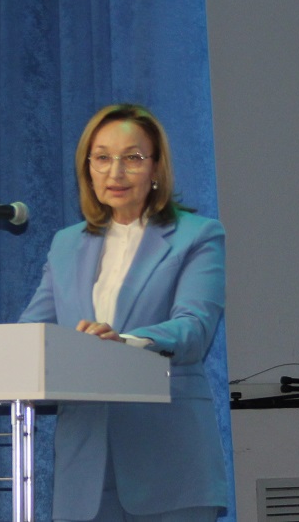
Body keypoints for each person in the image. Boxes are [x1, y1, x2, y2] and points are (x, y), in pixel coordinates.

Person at [19, 103, 228, 522]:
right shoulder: (65, 244)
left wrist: (124, 343)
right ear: (87, 169)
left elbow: (193, 329)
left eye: (132, 157)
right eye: (101, 158)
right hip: (85, 467)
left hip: (167, 459)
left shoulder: (197, 235)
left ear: (156, 168)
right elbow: (33, 335)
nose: (115, 172)